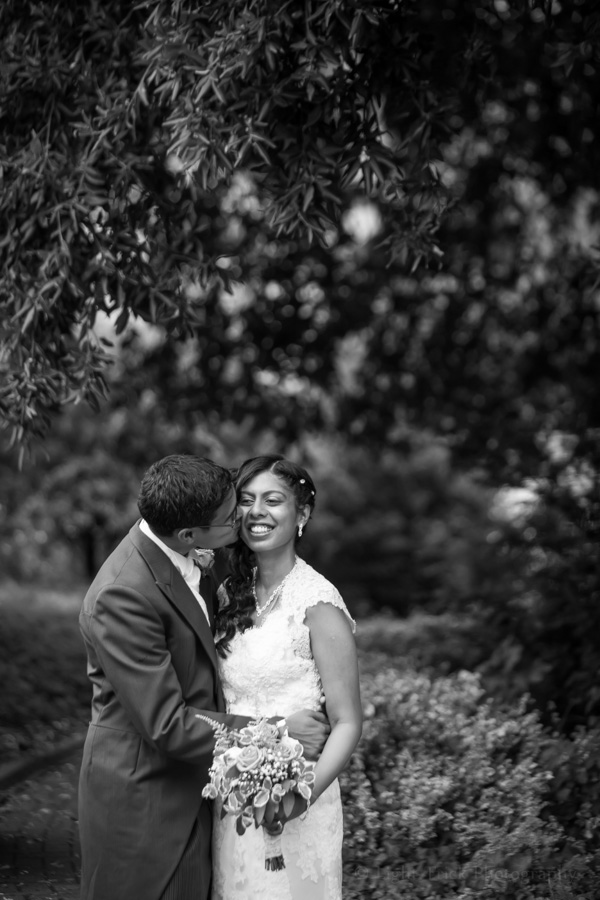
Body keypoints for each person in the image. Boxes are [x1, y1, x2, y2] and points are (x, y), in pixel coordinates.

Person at [78, 454, 328, 900]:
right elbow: (168, 725)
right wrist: (279, 731)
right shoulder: (122, 594)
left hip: (211, 791)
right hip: (149, 801)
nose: (245, 518)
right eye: (231, 517)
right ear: (189, 534)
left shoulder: (186, 555)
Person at [212, 454, 363, 900]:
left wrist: (299, 796)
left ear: (302, 514)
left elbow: (348, 722)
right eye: (246, 500)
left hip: (301, 800)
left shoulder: (318, 604)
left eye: (273, 500)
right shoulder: (227, 594)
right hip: (233, 801)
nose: (256, 511)